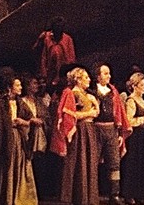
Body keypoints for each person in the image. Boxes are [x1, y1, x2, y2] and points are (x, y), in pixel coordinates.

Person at [0, 74, 38, 205]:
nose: (21, 87)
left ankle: (18, 197)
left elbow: (31, 119)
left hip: (18, 138)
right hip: (5, 138)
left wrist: (23, 122)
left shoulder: (20, 102)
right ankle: (6, 197)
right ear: (10, 87)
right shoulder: (0, 103)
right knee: (6, 166)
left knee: (19, 166)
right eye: (17, 85)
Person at [54, 67, 102, 205]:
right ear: (78, 80)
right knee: (79, 161)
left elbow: (96, 113)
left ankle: (88, 197)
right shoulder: (73, 93)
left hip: (89, 129)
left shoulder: (86, 94)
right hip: (80, 130)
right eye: (86, 77)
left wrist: (95, 103)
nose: (89, 80)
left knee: (89, 161)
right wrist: (89, 113)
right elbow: (70, 114)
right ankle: (78, 196)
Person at [90, 64, 133, 205]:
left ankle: (114, 195)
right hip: (96, 129)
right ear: (98, 76)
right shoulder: (91, 91)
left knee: (114, 162)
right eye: (105, 73)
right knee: (93, 162)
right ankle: (92, 193)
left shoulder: (113, 92)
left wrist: (120, 132)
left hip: (111, 130)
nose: (109, 76)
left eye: (109, 73)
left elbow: (119, 112)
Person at [122, 72, 144, 205]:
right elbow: (129, 120)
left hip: (143, 135)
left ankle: (139, 192)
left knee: (142, 163)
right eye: (142, 85)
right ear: (134, 86)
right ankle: (129, 194)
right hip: (134, 136)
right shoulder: (131, 100)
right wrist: (143, 118)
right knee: (133, 164)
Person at [36, 17, 76, 85]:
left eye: (60, 28)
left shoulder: (68, 39)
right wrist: (44, 74)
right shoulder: (47, 39)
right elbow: (44, 57)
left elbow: (72, 58)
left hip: (64, 74)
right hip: (51, 74)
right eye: (56, 28)